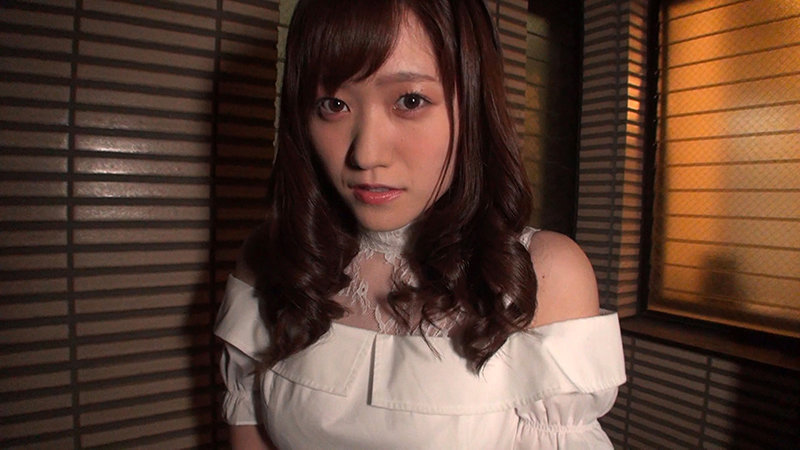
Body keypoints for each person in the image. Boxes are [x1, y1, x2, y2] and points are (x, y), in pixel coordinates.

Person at [214, 0, 626, 448]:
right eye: (333, 104)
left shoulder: (542, 276)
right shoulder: (272, 257)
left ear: (472, 107)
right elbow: (248, 422)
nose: (366, 154)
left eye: (410, 101)